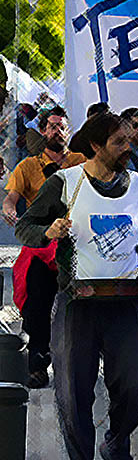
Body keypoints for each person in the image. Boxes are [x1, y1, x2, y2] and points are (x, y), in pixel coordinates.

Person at [14, 112, 138, 460]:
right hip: (77, 302)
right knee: (72, 391)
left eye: (127, 140)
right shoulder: (65, 183)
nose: (128, 147)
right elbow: (24, 226)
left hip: (124, 301)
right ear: (97, 146)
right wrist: (47, 231)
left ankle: (116, 445)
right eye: (119, 141)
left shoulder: (137, 183)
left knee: (134, 387)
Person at [3, 108, 85, 388]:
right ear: (43, 131)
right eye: (52, 127)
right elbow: (11, 198)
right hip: (41, 244)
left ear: (68, 131)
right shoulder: (27, 166)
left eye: (62, 127)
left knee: (82, 305)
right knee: (37, 303)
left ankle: (82, 363)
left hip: (78, 245)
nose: (57, 131)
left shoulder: (81, 162)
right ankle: (37, 363)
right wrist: (10, 209)